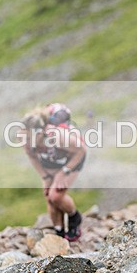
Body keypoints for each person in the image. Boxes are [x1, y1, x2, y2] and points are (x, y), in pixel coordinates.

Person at [21, 103, 86, 241]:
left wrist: (64, 172)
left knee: (56, 195)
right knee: (49, 198)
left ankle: (75, 218)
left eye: (29, 138)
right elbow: (32, 156)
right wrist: (45, 177)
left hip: (71, 160)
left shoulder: (56, 136)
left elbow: (81, 151)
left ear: (40, 133)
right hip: (50, 160)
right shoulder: (26, 138)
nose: (25, 142)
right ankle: (60, 232)